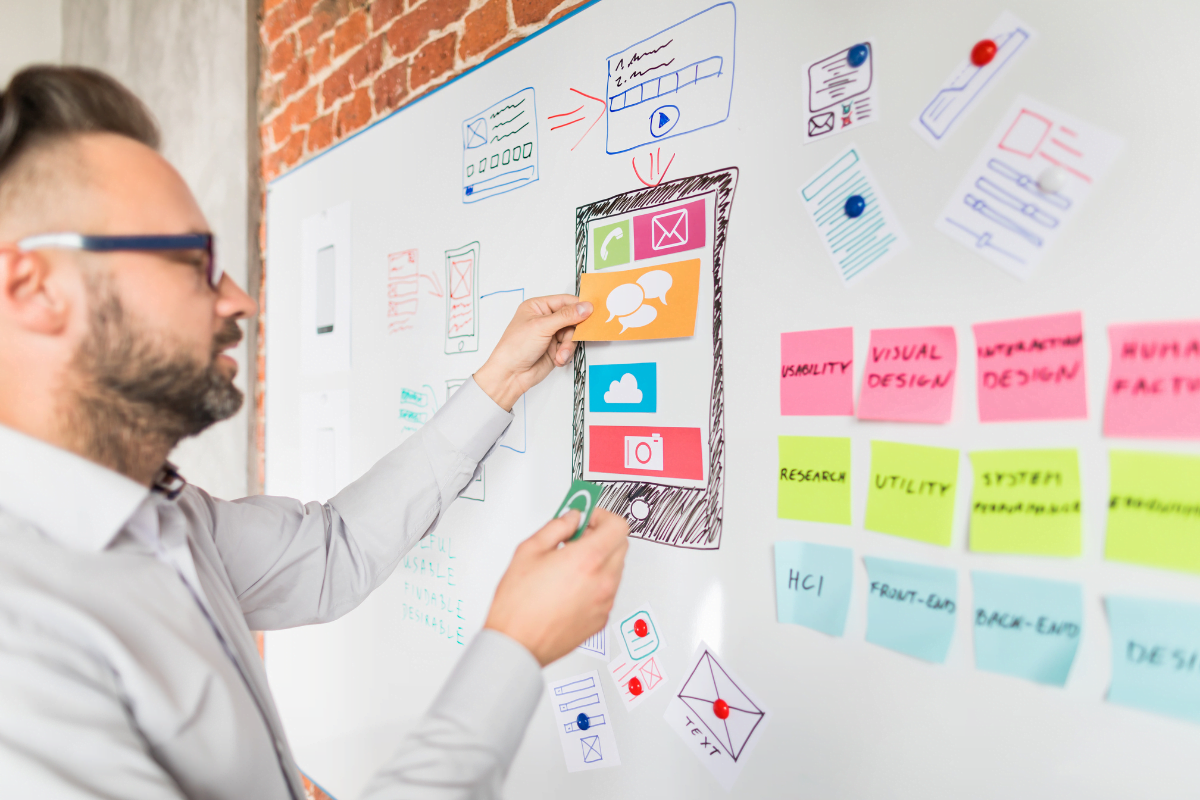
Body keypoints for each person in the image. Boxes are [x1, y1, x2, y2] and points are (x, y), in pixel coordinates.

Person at [0, 65, 629, 799]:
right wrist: (513, 650)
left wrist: (498, 384)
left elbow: (334, 551)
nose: (238, 298)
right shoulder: (19, 648)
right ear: (34, 291)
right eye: (193, 262)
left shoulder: (166, 517)